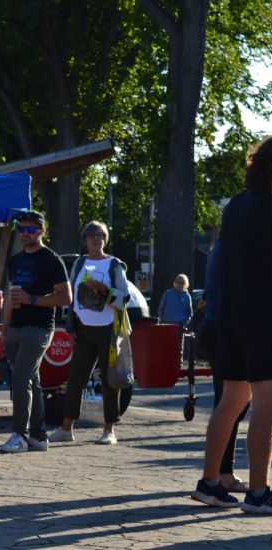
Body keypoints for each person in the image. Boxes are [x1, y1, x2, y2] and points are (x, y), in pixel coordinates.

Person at [192, 136, 272, 513]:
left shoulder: (236, 205)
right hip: (263, 318)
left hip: (229, 318)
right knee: (266, 403)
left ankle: (210, 483)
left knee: (232, 399)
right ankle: (258, 493)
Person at [50, 221, 130, 446]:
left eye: (101, 235)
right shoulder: (79, 263)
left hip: (108, 331)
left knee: (109, 381)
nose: (96, 239)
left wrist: (103, 290)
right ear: (84, 240)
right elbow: (71, 298)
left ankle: (109, 430)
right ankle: (66, 429)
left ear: (105, 239)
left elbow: (124, 299)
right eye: (92, 235)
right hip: (83, 331)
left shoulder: (114, 265)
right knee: (75, 380)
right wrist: (70, 327)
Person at [0, 210, 71, 453]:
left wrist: (32, 299)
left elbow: (66, 297)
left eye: (30, 229)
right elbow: (10, 297)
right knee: (32, 380)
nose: (25, 233)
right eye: (21, 228)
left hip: (39, 328)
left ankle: (19, 434)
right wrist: (5, 329)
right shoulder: (15, 260)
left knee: (21, 378)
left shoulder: (51, 259)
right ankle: (39, 436)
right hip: (16, 327)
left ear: (41, 231)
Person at [193, 242, 248, 494]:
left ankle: (218, 476)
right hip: (226, 329)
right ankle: (218, 477)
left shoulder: (224, 246)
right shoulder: (236, 246)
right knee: (232, 403)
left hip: (215, 326)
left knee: (230, 402)